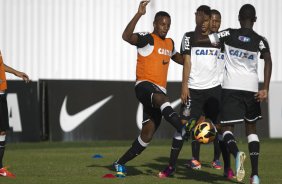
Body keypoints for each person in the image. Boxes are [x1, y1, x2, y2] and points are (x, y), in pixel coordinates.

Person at [113, 0, 189, 178]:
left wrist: (193, 56)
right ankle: (182, 128)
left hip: (158, 92)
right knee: (163, 100)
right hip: (144, 86)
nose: (165, 28)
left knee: (146, 136)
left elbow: (180, 58)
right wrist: (139, 13)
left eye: (168, 25)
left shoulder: (169, 43)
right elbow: (126, 36)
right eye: (162, 24)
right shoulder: (147, 38)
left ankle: (120, 163)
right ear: (155, 23)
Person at [199, 4, 272, 183]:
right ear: (254, 20)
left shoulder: (229, 34)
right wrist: (266, 88)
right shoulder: (260, 40)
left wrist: (195, 41)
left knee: (226, 129)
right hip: (251, 88)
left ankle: (237, 154)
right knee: (251, 130)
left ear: (239, 18)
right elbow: (268, 60)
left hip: (231, 87)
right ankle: (255, 175)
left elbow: (207, 41)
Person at [159, 5, 224, 178]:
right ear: (197, 17)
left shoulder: (218, 38)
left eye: (207, 18)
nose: (204, 21)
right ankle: (171, 167)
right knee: (182, 127)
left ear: (210, 20)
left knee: (219, 127)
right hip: (193, 91)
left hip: (213, 90)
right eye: (200, 18)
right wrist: (184, 87)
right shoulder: (188, 37)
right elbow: (187, 62)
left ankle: (225, 166)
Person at [0, 50, 30, 178]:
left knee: (2, 131)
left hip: (1, 94)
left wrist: (16, 72)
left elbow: (1, 65)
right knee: (1, 131)